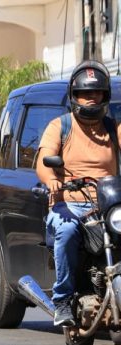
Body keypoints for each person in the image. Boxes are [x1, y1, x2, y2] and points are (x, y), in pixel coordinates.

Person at [36, 60, 120, 327]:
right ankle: (62, 300)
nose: (91, 99)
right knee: (68, 231)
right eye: (85, 93)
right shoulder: (60, 126)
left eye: (97, 93)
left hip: (107, 206)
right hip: (69, 205)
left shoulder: (113, 129)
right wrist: (51, 180)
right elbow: (43, 159)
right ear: (74, 96)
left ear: (105, 96)